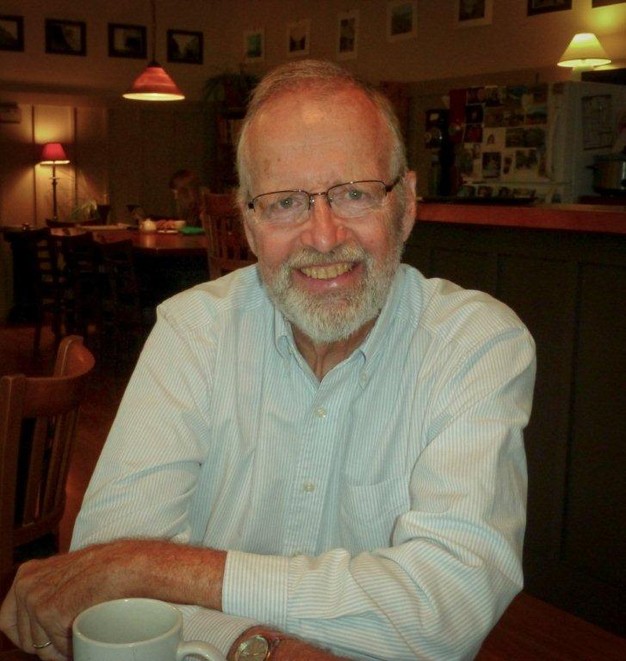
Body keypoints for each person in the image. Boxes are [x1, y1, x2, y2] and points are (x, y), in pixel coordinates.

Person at [0, 60, 536, 660]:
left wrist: (155, 567)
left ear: (406, 204)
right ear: (249, 224)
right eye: (284, 203)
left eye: (354, 194)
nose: (324, 236)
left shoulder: (474, 343)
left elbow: (452, 602)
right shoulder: (193, 331)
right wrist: (258, 649)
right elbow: (104, 588)